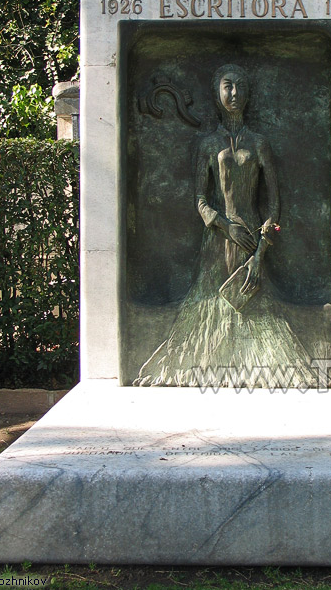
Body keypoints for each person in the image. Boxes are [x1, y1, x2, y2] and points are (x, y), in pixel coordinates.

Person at [135, 63, 317, 388]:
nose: (233, 94)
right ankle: (205, 369)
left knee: (254, 305)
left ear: (247, 94)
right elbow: (200, 199)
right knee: (209, 309)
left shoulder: (259, 143)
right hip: (218, 241)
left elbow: (274, 204)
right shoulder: (207, 145)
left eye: (239, 87)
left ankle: (254, 372)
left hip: (251, 242)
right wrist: (223, 224)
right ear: (217, 94)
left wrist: (260, 253)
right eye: (227, 86)